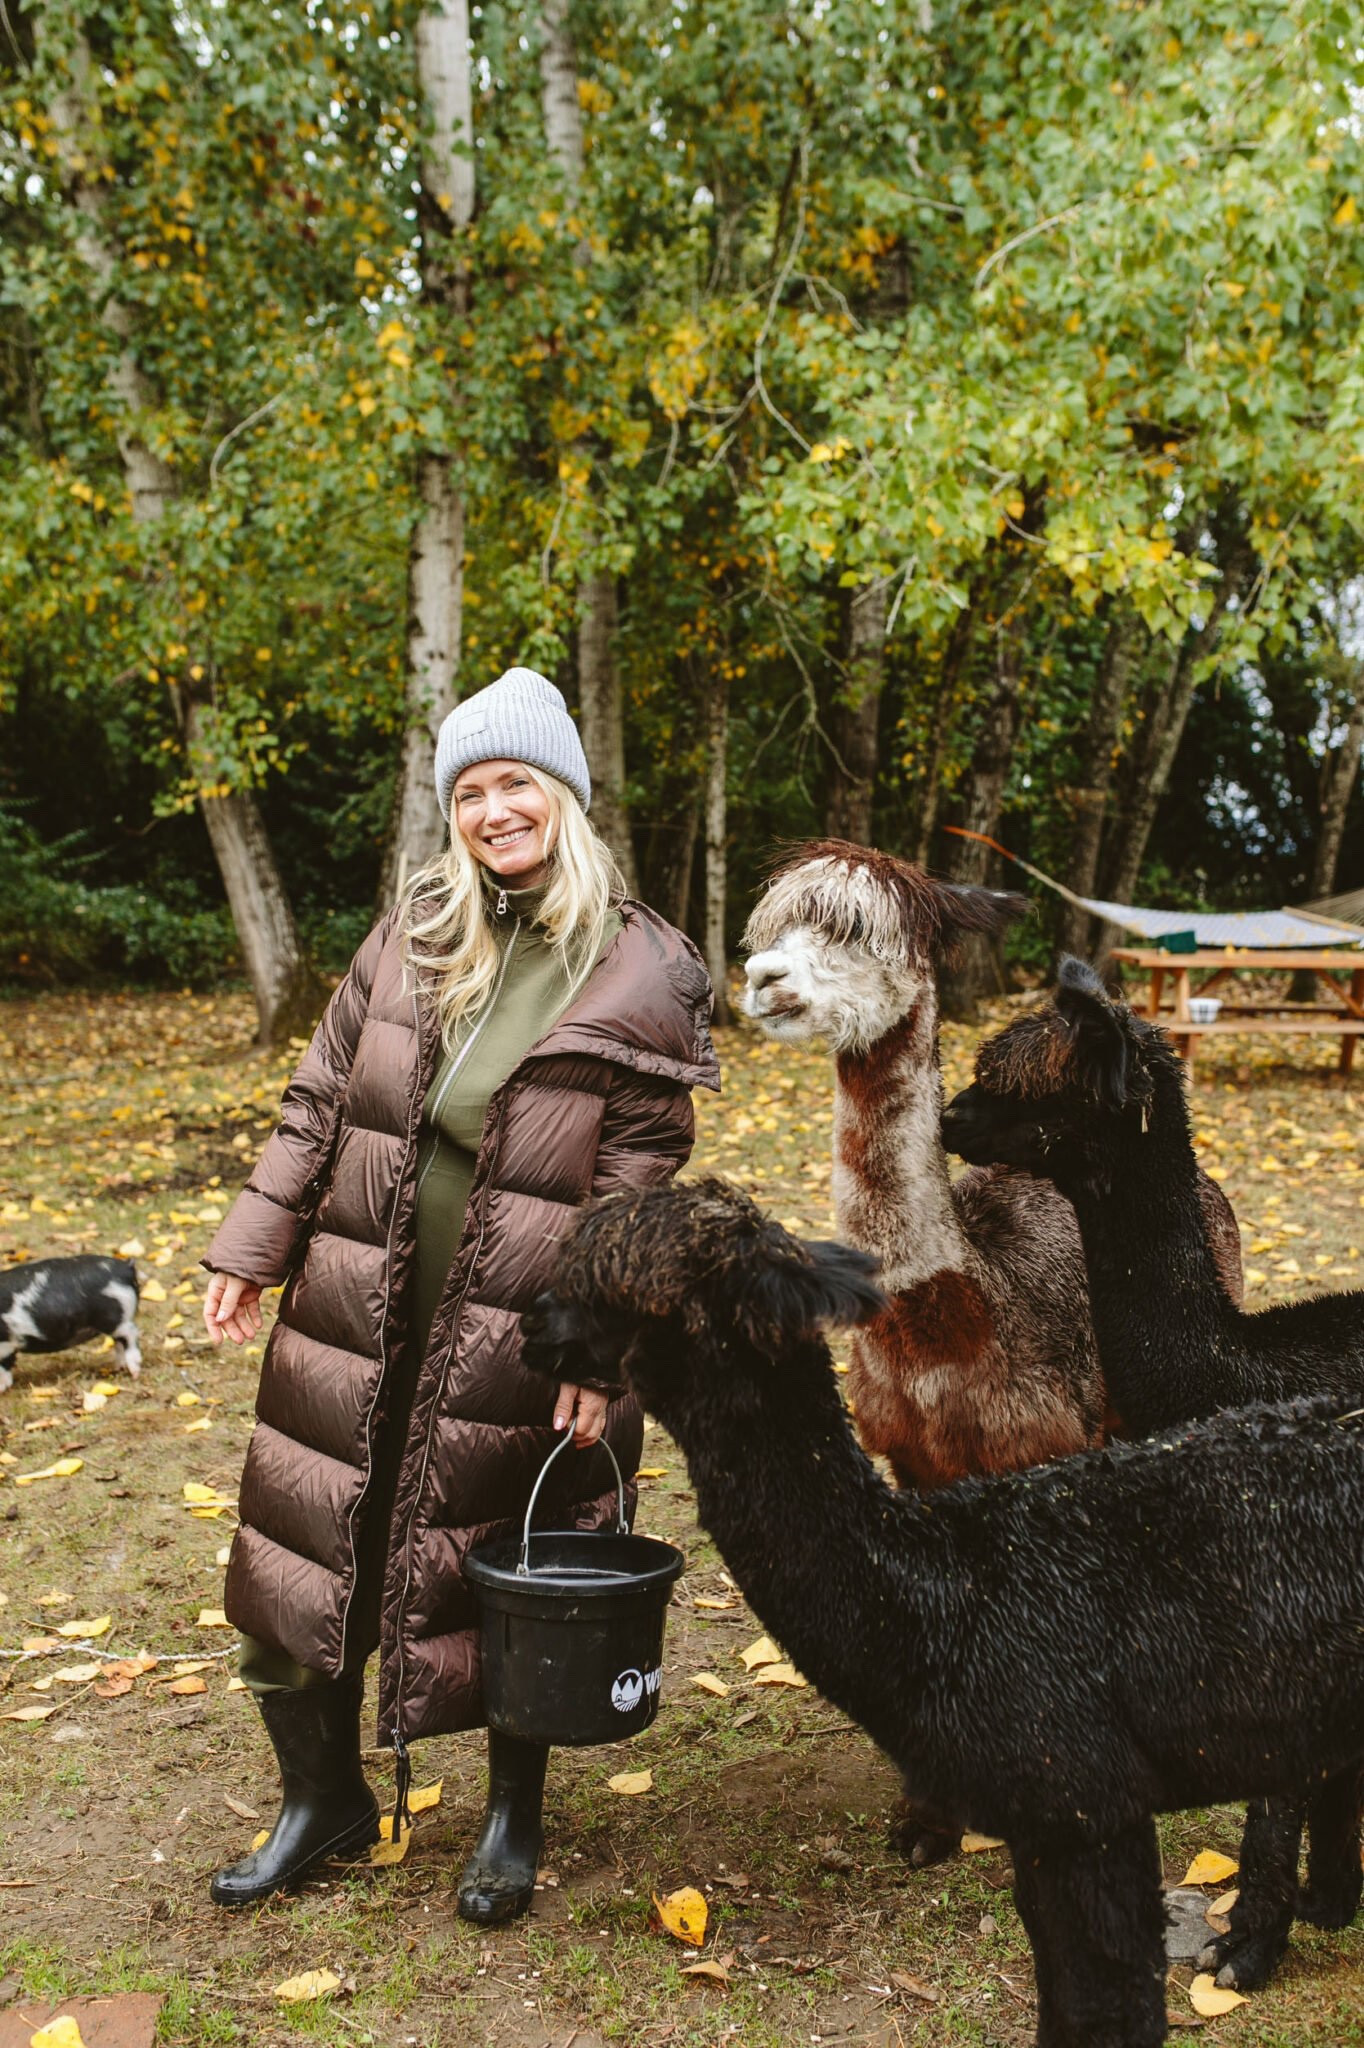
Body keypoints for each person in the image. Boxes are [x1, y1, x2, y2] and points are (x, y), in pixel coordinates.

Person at [201, 667, 719, 1923]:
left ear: (564, 795)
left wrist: (598, 1348)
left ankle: (507, 1820)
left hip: (525, 1320)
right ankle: (318, 1801)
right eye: (472, 789)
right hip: (360, 1286)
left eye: (517, 783)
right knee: (310, 1532)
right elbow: (324, 1090)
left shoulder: (640, 964)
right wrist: (252, 1237)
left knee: (507, 1561)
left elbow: (635, 1191)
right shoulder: (419, 925)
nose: (495, 809)